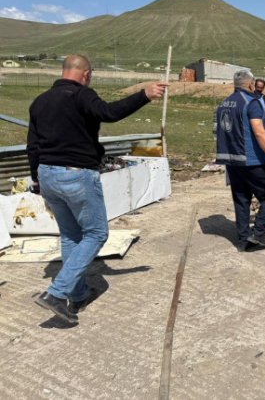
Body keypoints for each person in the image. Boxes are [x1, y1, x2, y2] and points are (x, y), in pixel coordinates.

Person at [27, 55, 168, 323]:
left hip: (47, 174)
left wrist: (36, 178)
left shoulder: (40, 100)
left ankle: (77, 294)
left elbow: (32, 144)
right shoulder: (80, 95)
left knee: (71, 237)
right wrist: (145, 95)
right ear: (86, 74)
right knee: (96, 234)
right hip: (76, 174)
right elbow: (110, 113)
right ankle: (56, 293)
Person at [215, 70, 265, 251]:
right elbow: (259, 131)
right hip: (252, 160)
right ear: (251, 84)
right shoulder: (252, 103)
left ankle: (243, 239)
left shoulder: (223, 104)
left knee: (241, 199)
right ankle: (258, 234)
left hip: (231, 161)